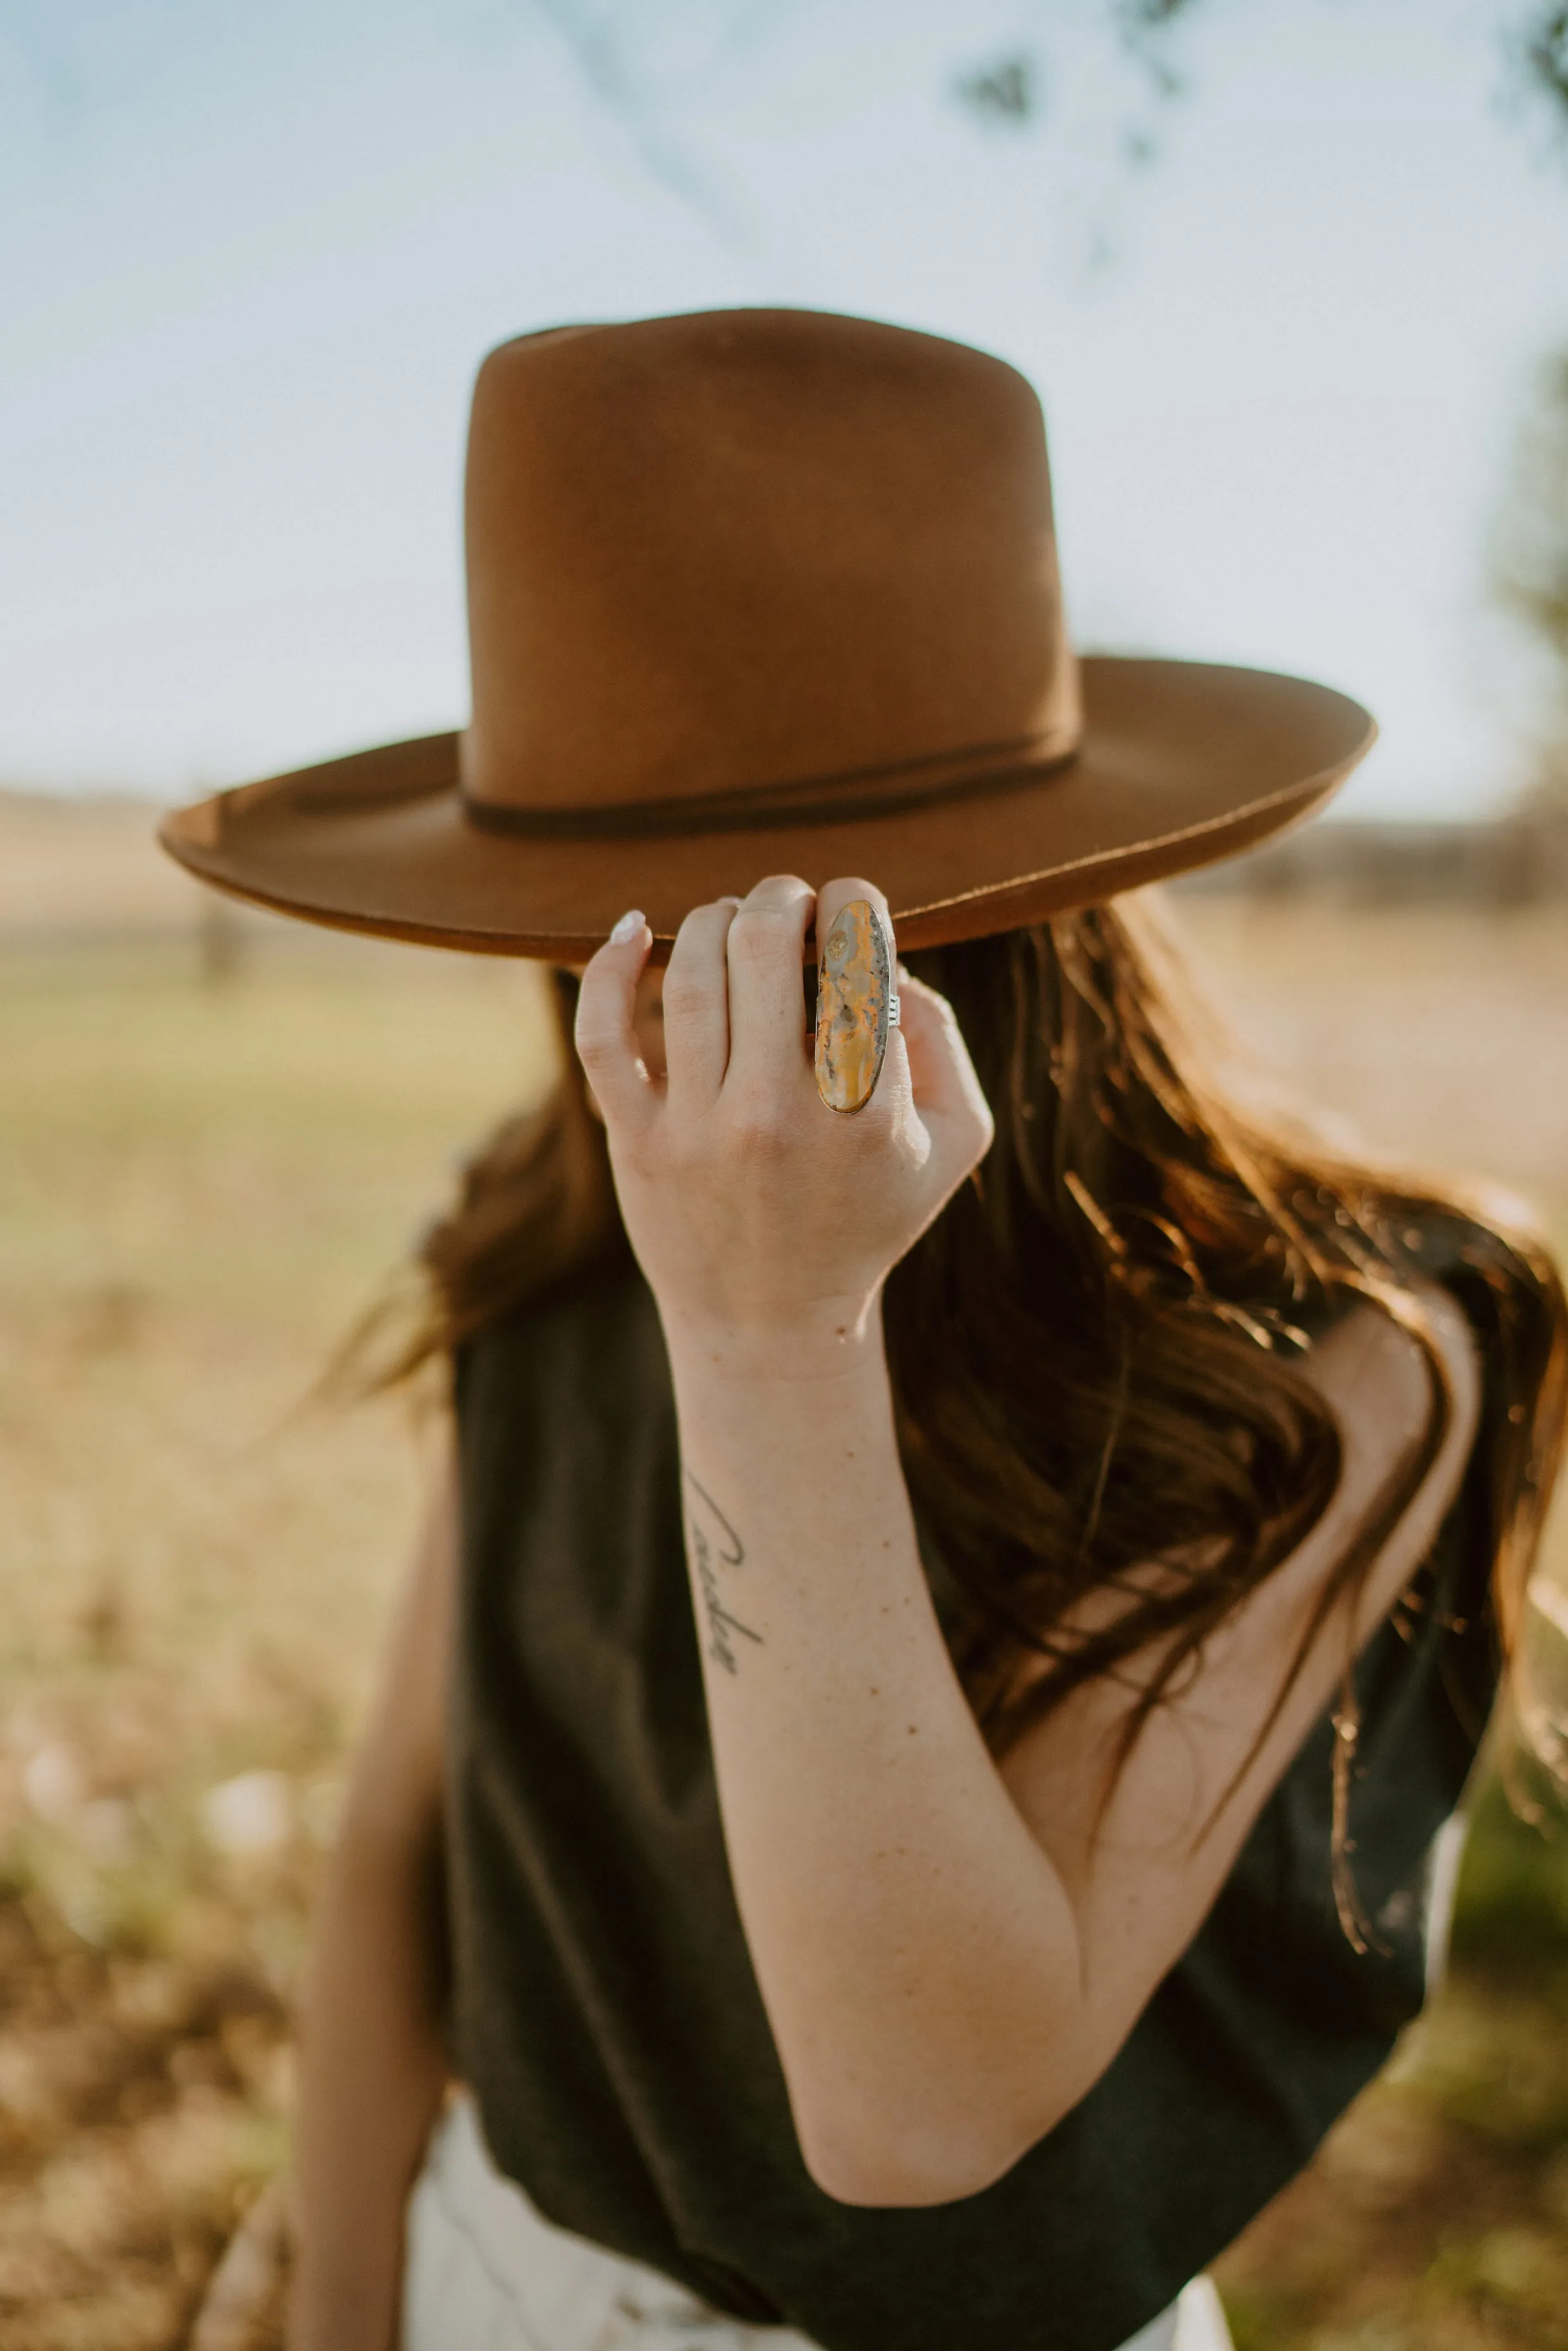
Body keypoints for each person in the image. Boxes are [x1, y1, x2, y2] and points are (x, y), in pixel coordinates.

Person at [161, 309, 1567, 2351]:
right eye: (579, 933)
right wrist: (341, 2309)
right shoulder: (556, 1230)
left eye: (680, 933)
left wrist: (775, 1336)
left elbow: (915, 2107)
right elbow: (395, 1833)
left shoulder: (1347, 1353)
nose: (618, 1018)